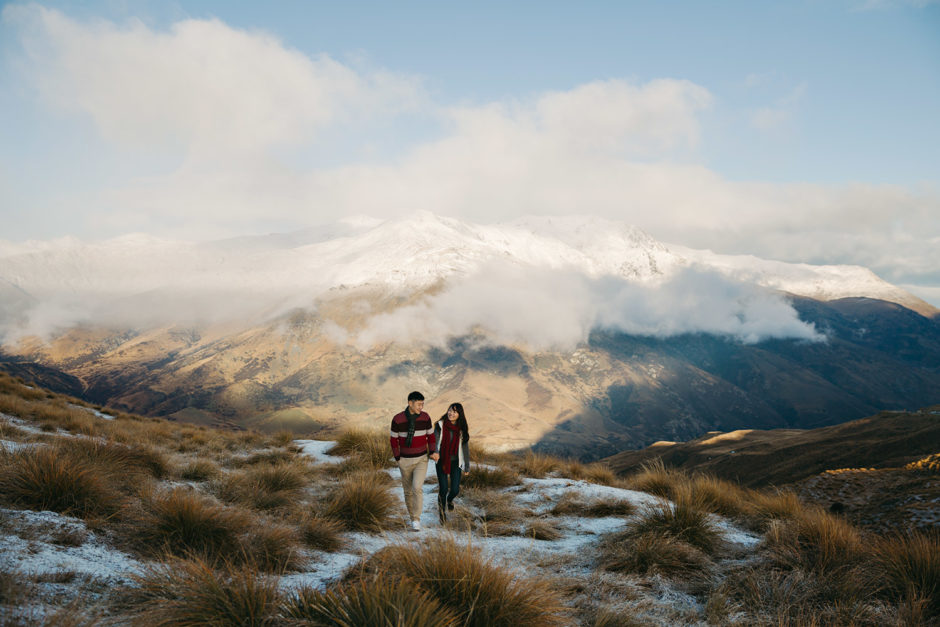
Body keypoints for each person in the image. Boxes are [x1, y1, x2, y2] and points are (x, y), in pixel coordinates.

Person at [389, 391, 438, 531]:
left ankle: (416, 519)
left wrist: (433, 451)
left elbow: (431, 436)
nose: (421, 407)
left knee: (417, 488)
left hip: (421, 459)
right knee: (408, 492)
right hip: (404, 460)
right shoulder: (397, 419)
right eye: (418, 404)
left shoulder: (425, 417)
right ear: (410, 403)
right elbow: (394, 440)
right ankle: (412, 517)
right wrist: (398, 458)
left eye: (423, 404)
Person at [433, 402, 470, 523]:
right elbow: (435, 440)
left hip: (456, 462)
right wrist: (435, 452)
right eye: (450, 410)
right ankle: (442, 514)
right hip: (442, 460)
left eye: (454, 412)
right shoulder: (440, 425)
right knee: (443, 488)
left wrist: (467, 466)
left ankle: (449, 500)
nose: (451, 413)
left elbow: (465, 448)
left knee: (455, 490)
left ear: (459, 414)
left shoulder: (461, 429)